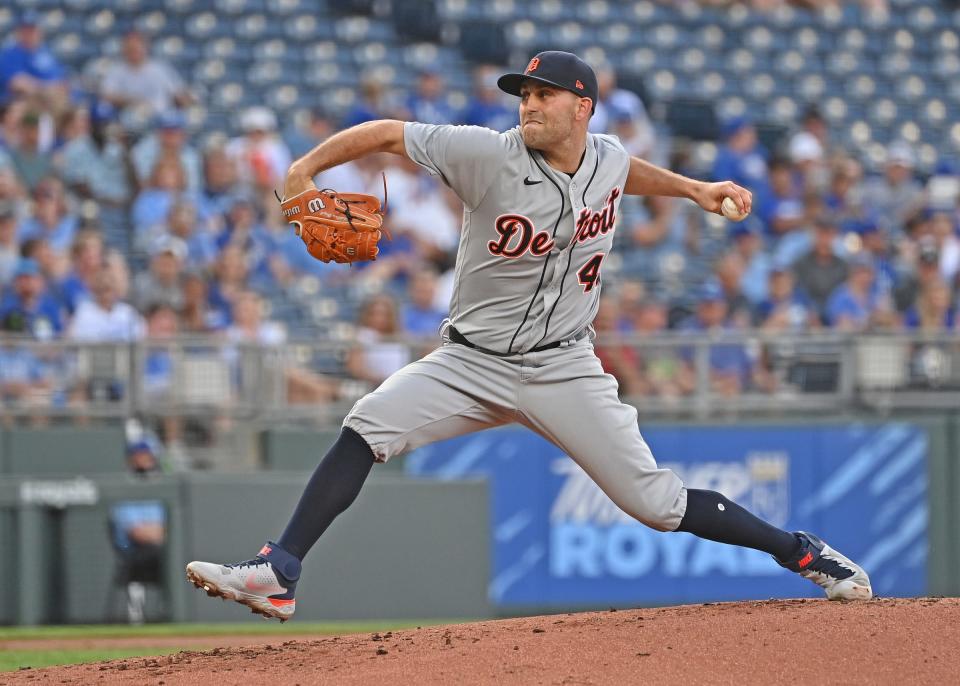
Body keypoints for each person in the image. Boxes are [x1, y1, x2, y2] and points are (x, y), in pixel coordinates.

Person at [187, 51, 872, 621]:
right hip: (469, 362)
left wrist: (693, 189)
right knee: (367, 424)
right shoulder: (483, 153)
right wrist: (303, 171)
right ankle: (279, 571)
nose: (528, 104)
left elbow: (622, 171)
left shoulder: (604, 156)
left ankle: (799, 552)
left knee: (657, 506)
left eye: (544, 95)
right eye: (524, 94)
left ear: (583, 108)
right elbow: (391, 132)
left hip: (564, 367)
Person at [100, 29, 192, 116]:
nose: (134, 52)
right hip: (128, 119)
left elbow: (178, 93)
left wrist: (187, 105)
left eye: (137, 48)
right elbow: (107, 95)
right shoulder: (116, 70)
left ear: (145, 47)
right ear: (124, 49)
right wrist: (134, 101)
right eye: (130, 49)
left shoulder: (160, 69)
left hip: (159, 119)